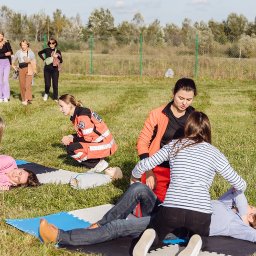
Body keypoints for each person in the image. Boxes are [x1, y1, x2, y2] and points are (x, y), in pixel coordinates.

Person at [132, 111, 246, 256]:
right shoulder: (215, 153)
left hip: (172, 209)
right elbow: (240, 184)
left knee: (157, 229)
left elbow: (145, 164)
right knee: (202, 235)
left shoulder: (174, 145)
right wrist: (234, 192)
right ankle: (196, 240)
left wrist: (134, 177)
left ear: (187, 128)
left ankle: (151, 235)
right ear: (207, 130)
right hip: (200, 213)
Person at [137, 77, 196, 202]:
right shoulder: (157, 114)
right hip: (157, 167)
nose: (184, 103)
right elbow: (143, 142)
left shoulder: (194, 117)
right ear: (173, 93)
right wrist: (148, 172)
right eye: (181, 98)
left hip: (182, 169)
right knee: (155, 202)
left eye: (189, 99)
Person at [58, 94, 118, 172]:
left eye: (61, 106)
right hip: (103, 142)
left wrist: (70, 139)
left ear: (69, 105)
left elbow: (87, 139)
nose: (60, 109)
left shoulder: (81, 116)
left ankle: (98, 164)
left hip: (105, 144)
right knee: (71, 144)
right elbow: (83, 134)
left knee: (71, 148)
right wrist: (71, 137)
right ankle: (96, 160)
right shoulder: (79, 113)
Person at [12, 39, 36, 105]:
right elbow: (13, 61)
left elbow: (34, 62)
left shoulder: (31, 52)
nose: (23, 46)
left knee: (27, 85)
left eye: (24, 45)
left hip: (29, 68)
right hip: (21, 69)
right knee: (22, 85)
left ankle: (26, 100)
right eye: (22, 45)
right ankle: (24, 98)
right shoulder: (18, 52)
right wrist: (14, 67)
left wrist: (29, 61)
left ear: (27, 45)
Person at [0, 32, 13, 103]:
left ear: (3, 36)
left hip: (6, 63)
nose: (0, 37)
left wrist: (11, 63)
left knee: (5, 80)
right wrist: (5, 54)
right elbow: (7, 53)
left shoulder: (6, 43)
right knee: (0, 81)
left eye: (1, 36)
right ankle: (0, 97)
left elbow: (11, 52)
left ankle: (6, 96)